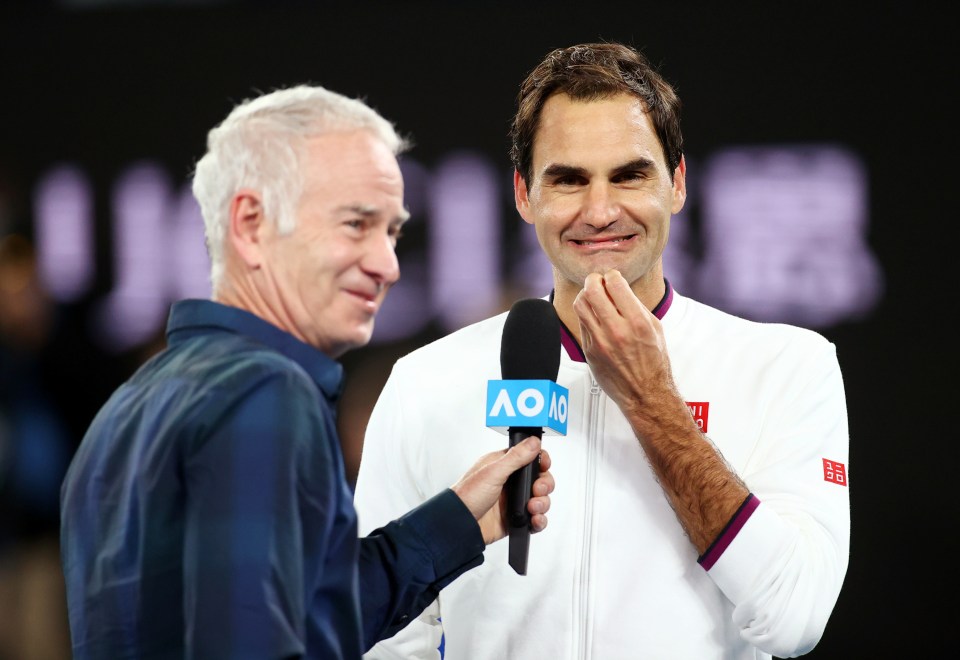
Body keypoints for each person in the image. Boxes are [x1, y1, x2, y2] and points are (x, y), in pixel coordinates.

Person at [354, 42, 850, 659]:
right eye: (568, 180)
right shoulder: (424, 381)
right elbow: (383, 642)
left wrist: (654, 403)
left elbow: (792, 620)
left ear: (676, 184)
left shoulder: (787, 367)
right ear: (524, 195)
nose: (600, 210)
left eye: (629, 174)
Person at [58, 84, 555, 660]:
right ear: (249, 224)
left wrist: (457, 522)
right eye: (355, 224)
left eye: (392, 231)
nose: (387, 264)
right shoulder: (266, 392)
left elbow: (302, 618)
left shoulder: (128, 406)